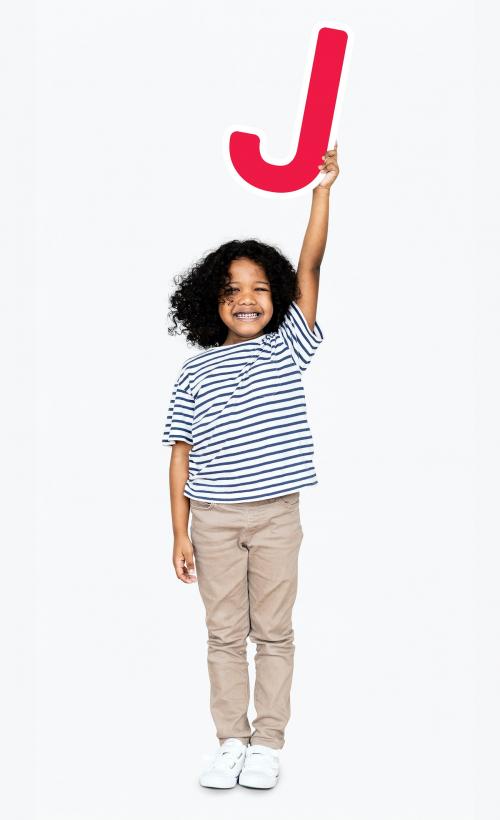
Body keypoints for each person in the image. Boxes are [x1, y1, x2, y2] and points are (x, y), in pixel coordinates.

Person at [161, 145, 340, 789]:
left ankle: (268, 741)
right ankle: (230, 738)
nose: (246, 299)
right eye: (233, 290)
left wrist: (320, 194)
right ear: (211, 299)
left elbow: (313, 263)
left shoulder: (289, 346)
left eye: (261, 289)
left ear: (279, 298)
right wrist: (180, 532)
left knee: (274, 631)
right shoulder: (194, 369)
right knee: (223, 633)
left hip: (275, 519)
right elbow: (180, 453)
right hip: (211, 520)